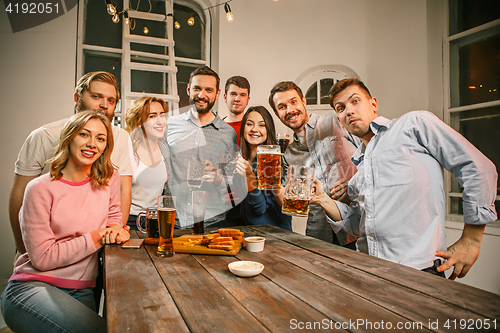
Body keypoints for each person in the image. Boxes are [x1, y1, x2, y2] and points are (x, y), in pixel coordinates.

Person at [312, 77, 497, 278]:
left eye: (355, 101)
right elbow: (361, 225)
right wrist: (323, 199)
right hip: (367, 269)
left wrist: (471, 240)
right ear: (339, 120)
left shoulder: (414, 125)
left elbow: (478, 167)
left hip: (418, 272)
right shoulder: (359, 174)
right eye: (340, 108)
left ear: (373, 103)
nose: (348, 110)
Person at [0, 111, 131, 333]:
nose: (92, 144)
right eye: (84, 134)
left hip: (82, 290)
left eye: (100, 138)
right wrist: (98, 236)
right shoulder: (40, 188)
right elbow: (42, 258)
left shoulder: (109, 179)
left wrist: (115, 231)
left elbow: (113, 220)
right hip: (33, 286)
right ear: (69, 137)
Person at [9, 71, 133, 258]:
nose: (104, 105)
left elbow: (122, 191)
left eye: (111, 100)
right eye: (96, 96)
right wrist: (22, 247)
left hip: (95, 246)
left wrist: (111, 238)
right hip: (47, 243)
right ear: (77, 98)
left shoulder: (121, 137)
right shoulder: (43, 136)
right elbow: (21, 191)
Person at [269, 81, 360, 247]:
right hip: (320, 236)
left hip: (357, 229)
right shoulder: (289, 155)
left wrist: (355, 181)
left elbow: (372, 153)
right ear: (277, 113)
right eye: (282, 107)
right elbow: (289, 201)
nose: (289, 110)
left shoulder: (335, 121)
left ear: (304, 101)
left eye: (293, 102)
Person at [166, 66, 240, 228]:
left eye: (209, 90)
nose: (202, 95)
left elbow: (230, 181)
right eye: (197, 89)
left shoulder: (228, 134)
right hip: (173, 220)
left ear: (217, 94)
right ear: (188, 90)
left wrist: (217, 177)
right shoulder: (169, 125)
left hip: (213, 221)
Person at [234, 106, 292, 230]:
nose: (255, 129)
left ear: (269, 130)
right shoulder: (242, 160)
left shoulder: (273, 162)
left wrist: (249, 176)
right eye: (249, 124)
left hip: (277, 237)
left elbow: (259, 209)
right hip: (251, 235)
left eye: (261, 125)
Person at [125, 97, 171, 230]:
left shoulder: (165, 149)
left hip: (156, 221)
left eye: (162, 115)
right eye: (152, 116)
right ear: (139, 121)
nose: (160, 121)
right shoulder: (128, 149)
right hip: (129, 221)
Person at [222, 76, 251, 145]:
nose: (237, 99)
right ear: (225, 97)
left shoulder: (254, 129)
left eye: (243, 95)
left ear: (248, 100)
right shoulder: (217, 128)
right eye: (233, 94)